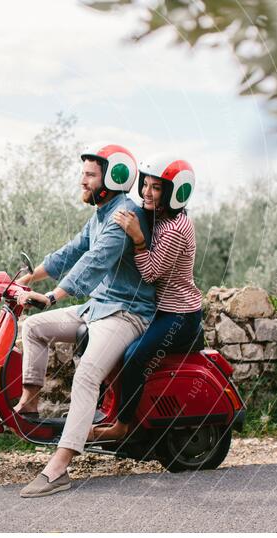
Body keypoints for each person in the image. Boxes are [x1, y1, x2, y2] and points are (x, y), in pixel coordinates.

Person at [14, 143, 155, 498]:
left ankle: (59, 468)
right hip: (100, 305)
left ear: (113, 177)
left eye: (90, 175)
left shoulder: (124, 217)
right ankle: (30, 401)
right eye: (83, 174)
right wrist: (31, 278)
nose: (82, 181)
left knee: (88, 373)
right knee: (33, 327)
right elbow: (73, 250)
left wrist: (50, 297)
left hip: (127, 313)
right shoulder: (101, 214)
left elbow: (94, 262)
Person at [88, 155, 203, 442]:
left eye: (157, 188)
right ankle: (103, 407)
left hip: (179, 317)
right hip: (158, 310)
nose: (147, 193)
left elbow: (151, 273)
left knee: (133, 356)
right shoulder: (157, 217)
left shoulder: (176, 228)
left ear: (175, 193)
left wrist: (138, 239)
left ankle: (123, 425)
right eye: (146, 185)